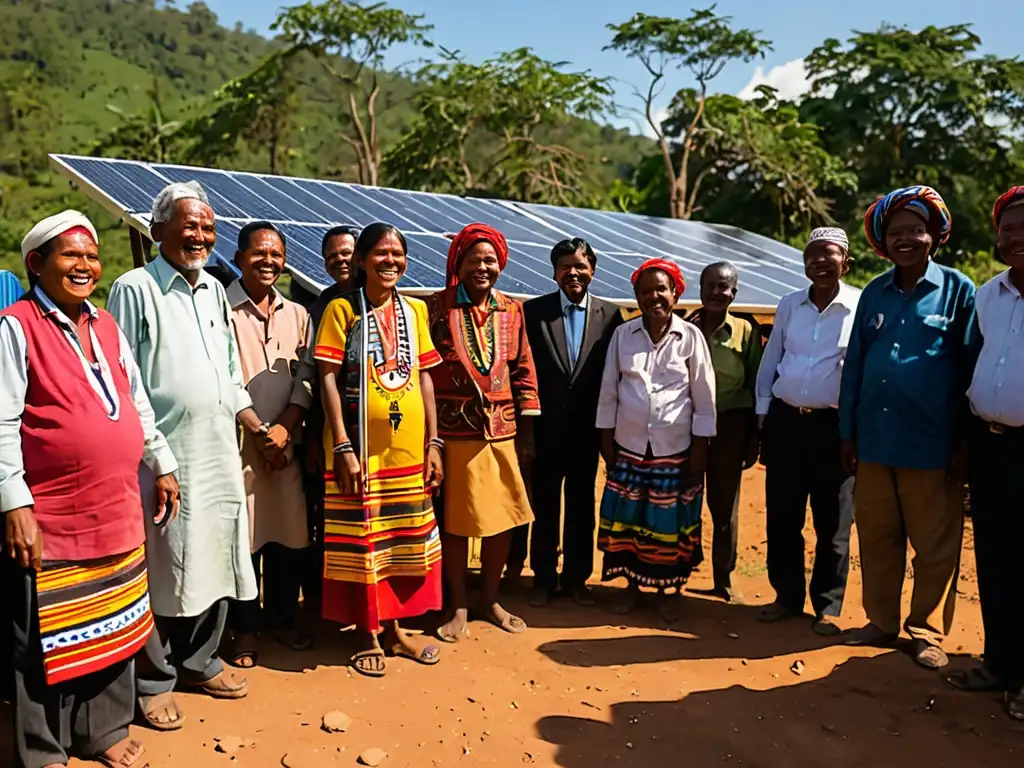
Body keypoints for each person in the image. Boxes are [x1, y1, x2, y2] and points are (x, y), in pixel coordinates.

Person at [1, 211, 180, 768]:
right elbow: (1, 420)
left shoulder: (105, 324)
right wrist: (13, 501)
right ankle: (42, 748)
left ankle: (101, 732)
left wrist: (163, 462)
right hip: (51, 510)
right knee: (43, 635)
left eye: (92, 256)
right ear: (37, 264)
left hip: (115, 500)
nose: (85, 266)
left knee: (114, 620)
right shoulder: (15, 325)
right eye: (71, 255)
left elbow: (135, 400)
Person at [106, 181, 265, 731]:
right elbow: (125, 385)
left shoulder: (215, 289)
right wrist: (160, 458)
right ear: (159, 231)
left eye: (207, 227)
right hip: (166, 459)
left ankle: (201, 661)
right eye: (189, 225)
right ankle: (153, 681)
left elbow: (226, 366)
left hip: (220, 447)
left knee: (217, 553)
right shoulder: (134, 288)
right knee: (164, 565)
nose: (200, 236)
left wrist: (247, 416)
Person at [839, 186, 976, 670]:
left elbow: (969, 367)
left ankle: (926, 630)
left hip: (931, 442)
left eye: (915, 230)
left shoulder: (960, 290)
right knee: (877, 536)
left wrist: (963, 439)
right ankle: (880, 622)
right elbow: (855, 363)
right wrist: (847, 431)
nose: (905, 239)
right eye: (895, 232)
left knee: (935, 544)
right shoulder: (874, 292)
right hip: (874, 440)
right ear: (883, 240)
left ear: (933, 234)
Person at [314, 222, 445, 677]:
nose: (390, 261)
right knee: (365, 541)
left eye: (398, 253)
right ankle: (367, 632)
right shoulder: (341, 309)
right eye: (381, 253)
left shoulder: (415, 311)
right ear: (363, 259)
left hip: (406, 452)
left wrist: (433, 442)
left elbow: (426, 376)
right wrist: (343, 445)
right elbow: (326, 376)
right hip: (359, 452)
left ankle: (395, 629)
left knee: (399, 541)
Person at [426, 223, 539, 641]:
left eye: (490, 260)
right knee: (456, 523)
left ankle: (489, 598)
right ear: (459, 263)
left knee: (502, 522)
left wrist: (526, 433)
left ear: (501, 265)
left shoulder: (512, 309)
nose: (483, 267)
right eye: (474, 260)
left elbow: (524, 371)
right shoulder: (436, 308)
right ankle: (457, 601)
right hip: (454, 435)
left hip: (502, 433)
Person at [596, 258, 716, 620]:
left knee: (668, 522)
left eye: (661, 289)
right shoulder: (623, 335)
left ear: (675, 293)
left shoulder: (691, 337)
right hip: (629, 445)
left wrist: (699, 449)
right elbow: (609, 391)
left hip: (675, 447)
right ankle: (631, 587)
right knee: (628, 519)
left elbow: (704, 397)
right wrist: (606, 440)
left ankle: (669, 590)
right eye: (646, 291)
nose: (654, 297)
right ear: (637, 296)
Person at [754, 229, 860, 635]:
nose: (819, 262)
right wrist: (763, 414)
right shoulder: (788, 305)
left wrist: (853, 430)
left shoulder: (859, 306)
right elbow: (772, 360)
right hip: (784, 422)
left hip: (832, 429)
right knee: (783, 515)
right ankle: (786, 596)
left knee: (832, 523)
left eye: (828, 255)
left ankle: (828, 606)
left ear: (844, 263)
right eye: (812, 255)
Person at [510, 237, 622, 608]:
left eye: (580, 266)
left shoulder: (611, 316)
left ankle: (576, 579)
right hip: (544, 430)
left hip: (587, 432)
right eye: (564, 267)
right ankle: (542, 579)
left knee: (580, 506)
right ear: (554, 272)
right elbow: (522, 372)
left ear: (592, 269)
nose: (573, 273)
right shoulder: (534, 312)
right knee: (543, 505)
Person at [947, 186, 1024, 719]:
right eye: (1007, 228)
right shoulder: (988, 296)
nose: (1014, 237)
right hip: (991, 446)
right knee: (995, 559)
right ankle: (1000, 663)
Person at [225, 222, 315, 667]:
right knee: (244, 540)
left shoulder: (299, 314)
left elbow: (308, 378)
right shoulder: (218, 309)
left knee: (288, 536)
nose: (268, 261)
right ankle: (245, 629)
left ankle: (281, 619)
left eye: (276, 254)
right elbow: (221, 376)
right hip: (237, 446)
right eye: (259, 253)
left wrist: (283, 429)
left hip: (287, 446)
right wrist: (259, 432)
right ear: (239, 257)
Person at [687, 261, 762, 603]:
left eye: (725, 287)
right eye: (711, 286)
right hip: (686, 427)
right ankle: (679, 571)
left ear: (735, 293)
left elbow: (754, 385)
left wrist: (751, 439)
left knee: (723, 506)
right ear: (700, 289)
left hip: (730, 426)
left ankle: (723, 577)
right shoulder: (685, 328)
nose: (717, 292)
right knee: (683, 500)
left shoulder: (747, 332)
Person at [303, 224, 361, 607]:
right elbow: (312, 377)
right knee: (326, 519)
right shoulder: (319, 307)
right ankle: (327, 602)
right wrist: (312, 438)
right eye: (332, 255)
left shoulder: (389, 305)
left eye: (347, 253)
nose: (340, 260)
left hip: (383, 436)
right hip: (331, 434)